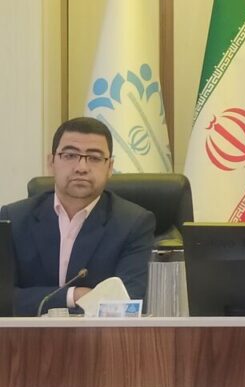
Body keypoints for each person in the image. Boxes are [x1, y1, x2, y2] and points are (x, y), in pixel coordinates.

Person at [0, 117, 155, 315]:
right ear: (51, 162)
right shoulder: (14, 218)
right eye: (70, 155)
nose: (81, 167)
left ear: (110, 168)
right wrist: (74, 295)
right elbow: (4, 300)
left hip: (100, 335)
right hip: (25, 335)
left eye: (94, 158)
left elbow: (125, 307)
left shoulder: (133, 223)